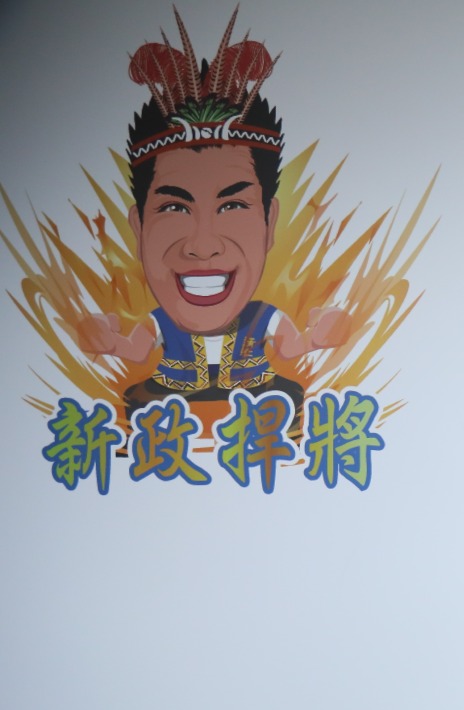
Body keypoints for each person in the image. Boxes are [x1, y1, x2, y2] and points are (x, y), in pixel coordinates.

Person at [78, 11, 347, 421]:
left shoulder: (262, 318)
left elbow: (292, 345)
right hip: (171, 397)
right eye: (174, 207)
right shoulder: (160, 321)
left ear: (269, 224)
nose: (202, 246)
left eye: (232, 205)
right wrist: (107, 340)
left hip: (257, 394)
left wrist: (320, 335)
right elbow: (135, 350)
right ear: (139, 227)